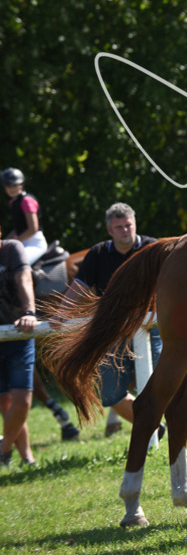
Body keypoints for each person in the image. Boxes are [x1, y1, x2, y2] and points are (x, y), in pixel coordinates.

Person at [62, 203, 162, 437]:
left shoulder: (151, 247)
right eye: (119, 227)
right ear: (110, 230)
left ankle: (156, 428)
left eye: (128, 225)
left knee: (163, 382)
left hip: (150, 325)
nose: (125, 230)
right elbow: (80, 286)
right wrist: (61, 314)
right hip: (113, 329)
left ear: (135, 224)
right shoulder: (98, 253)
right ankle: (154, 428)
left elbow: (168, 284)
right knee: (108, 394)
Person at [0, 223, 39, 467]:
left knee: (22, 401)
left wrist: (29, 312)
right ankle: (27, 458)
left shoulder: (12, 249)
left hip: (17, 333)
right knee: (5, 403)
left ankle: (3, 450)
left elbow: (24, 278)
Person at [2, 168, 47, 266]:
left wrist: (14, 243)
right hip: (22, 242)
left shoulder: (27, 201)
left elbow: (33, 229)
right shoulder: (13, 203)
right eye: (9, 186)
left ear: (21, 185)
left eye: (15, 185)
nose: (12, 189)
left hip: (35, 244)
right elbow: (18, 229)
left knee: (15, 264)